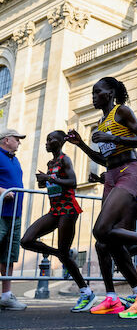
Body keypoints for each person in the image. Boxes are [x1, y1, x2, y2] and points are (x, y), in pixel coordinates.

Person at [66, 77, 137, 318]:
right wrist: (82, 145)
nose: (93, 96)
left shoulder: (122, 111)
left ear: (110, 93)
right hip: (110, 175)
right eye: (92, 92)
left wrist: (114, 138)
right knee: (104, 242)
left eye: (97, 91)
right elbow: (104, 159)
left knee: (101, 229)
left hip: (128, 172)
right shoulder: (101, 123)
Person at [20, 131, 94, 312]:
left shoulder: (64, 159)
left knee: (63, 255)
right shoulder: (50, 163)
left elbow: (73, 182)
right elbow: (50, 184)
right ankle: (63, 253)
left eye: (50, 139)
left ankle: (86, 292)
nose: (47, 142)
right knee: (26, 240)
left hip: (68, 209)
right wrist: (42, 182)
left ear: (60, 142)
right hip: (54, 210)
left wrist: (50, 178)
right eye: (46, 140)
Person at [0, 128, 27, 311]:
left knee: (9, 256)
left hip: (14, 215)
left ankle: (6, 296)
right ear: (7, 139)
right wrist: (2, 191)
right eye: (17, 139)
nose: (19, 142)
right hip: (0, 213)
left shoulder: (14, 159)